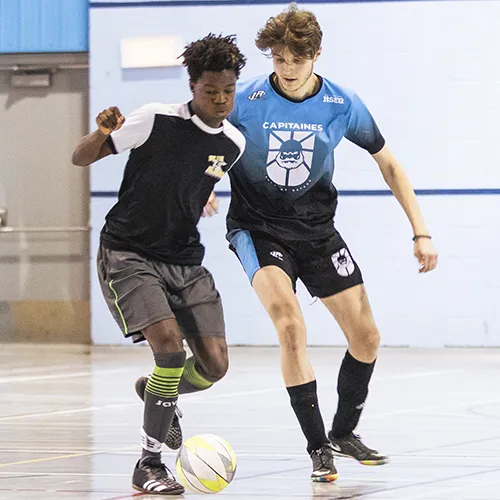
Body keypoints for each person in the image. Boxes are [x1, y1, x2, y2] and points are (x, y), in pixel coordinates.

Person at [225, 4, 438, 482]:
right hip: (258, 228)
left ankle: (343, 432)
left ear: (316, 54)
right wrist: (201, 189)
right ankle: (317, 445)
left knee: (367, 338)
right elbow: (207, 140)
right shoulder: (247, 99)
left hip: (318, 231)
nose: (287, 69)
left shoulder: (343, 104)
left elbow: (390, 165)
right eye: (278, 59)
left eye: (296, 60)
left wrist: (420, 230)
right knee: (290, 326)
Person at [72, 34, 246, 495]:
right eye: (211, 91)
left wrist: (200, 194)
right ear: (192, 86)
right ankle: (149, 464)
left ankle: (158, 391)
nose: (221, 99)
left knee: (214, 366)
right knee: (169, 348)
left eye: (228, 90)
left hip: (185, 261)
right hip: (128, 252)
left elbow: (193, 177)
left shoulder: (233, 144)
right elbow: (80, 157)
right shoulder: (154, 119)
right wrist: (103, 132)